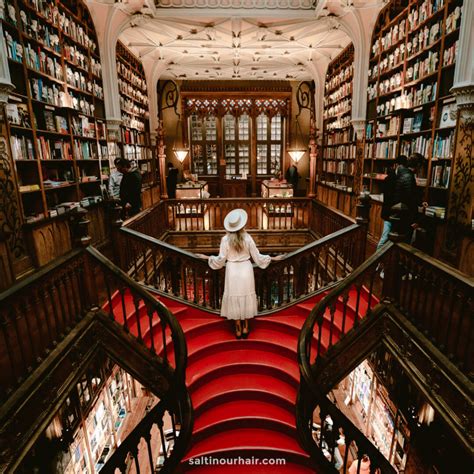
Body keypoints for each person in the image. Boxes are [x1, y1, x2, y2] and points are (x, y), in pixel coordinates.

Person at [196, 209, 285, 339]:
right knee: (245, 296)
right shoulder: (248, 238)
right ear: (242, 225)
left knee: (234, 297)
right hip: (245, 270)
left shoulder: (225, 240)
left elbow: (220, 260)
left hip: (232, 271)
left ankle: (237, 327)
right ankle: (246, 326)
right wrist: (272, 258)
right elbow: (257, 257)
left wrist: (206, 257)